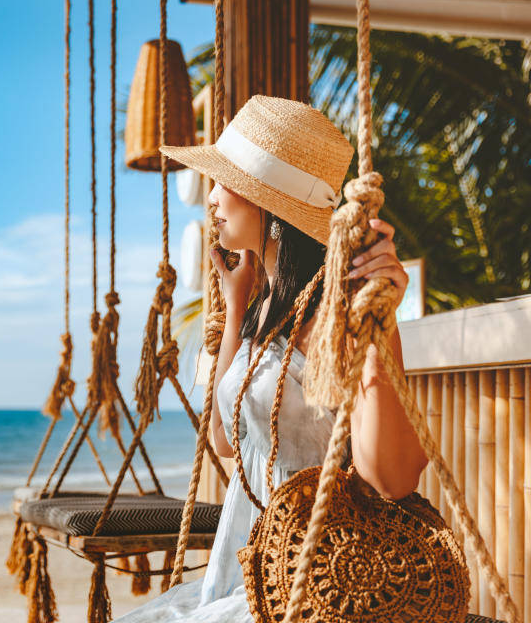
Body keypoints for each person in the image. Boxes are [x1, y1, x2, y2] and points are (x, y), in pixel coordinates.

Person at [112, 95, 428, 623]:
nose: (211, 199)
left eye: (225, 182)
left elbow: (393, 481)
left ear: (269, 202)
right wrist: (236, 307)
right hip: (249, 565)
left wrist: (378, 326)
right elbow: (225, 441)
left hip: (319, 573)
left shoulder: (343, 316)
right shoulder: (263, 312)